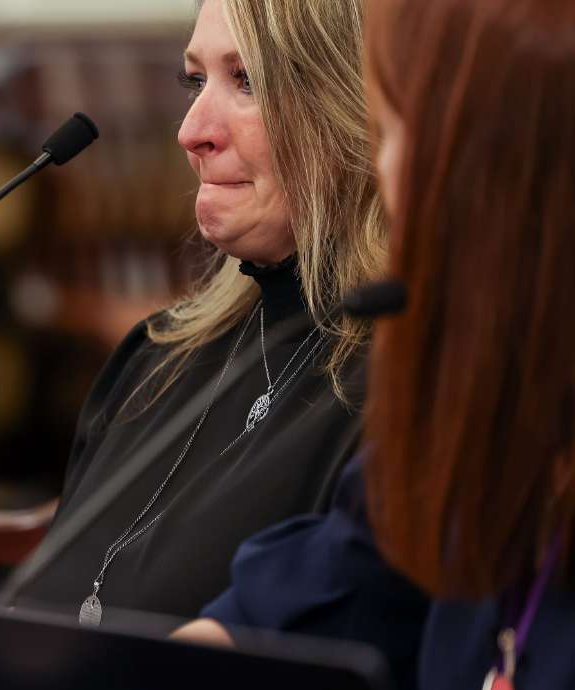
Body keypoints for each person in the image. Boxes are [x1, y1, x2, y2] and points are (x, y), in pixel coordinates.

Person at [177, 0, 575, 688]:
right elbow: (335, 574)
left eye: (392, 134)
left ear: (513, 171)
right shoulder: (478, 405)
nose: (383, 180)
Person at [13, 0, 386, 621]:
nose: (191, 132)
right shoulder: (155, 360)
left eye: (248, 81)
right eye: (195, 80)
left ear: (359, 109)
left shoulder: (404, 392)